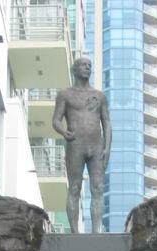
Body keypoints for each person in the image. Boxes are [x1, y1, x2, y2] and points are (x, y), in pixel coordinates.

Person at [52, 56, 112, 233]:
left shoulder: (99, 96)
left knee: (98, 188)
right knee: (74, 187)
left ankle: (96, 231)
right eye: (83, 65)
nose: (87, 67)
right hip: (75, 145)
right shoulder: (65, 94)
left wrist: (107, 147)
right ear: (75, 69)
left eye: (89, 65)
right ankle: (74, 232)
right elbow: (56, 120)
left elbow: (107, 123)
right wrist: (63, 132)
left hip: (96, 146)